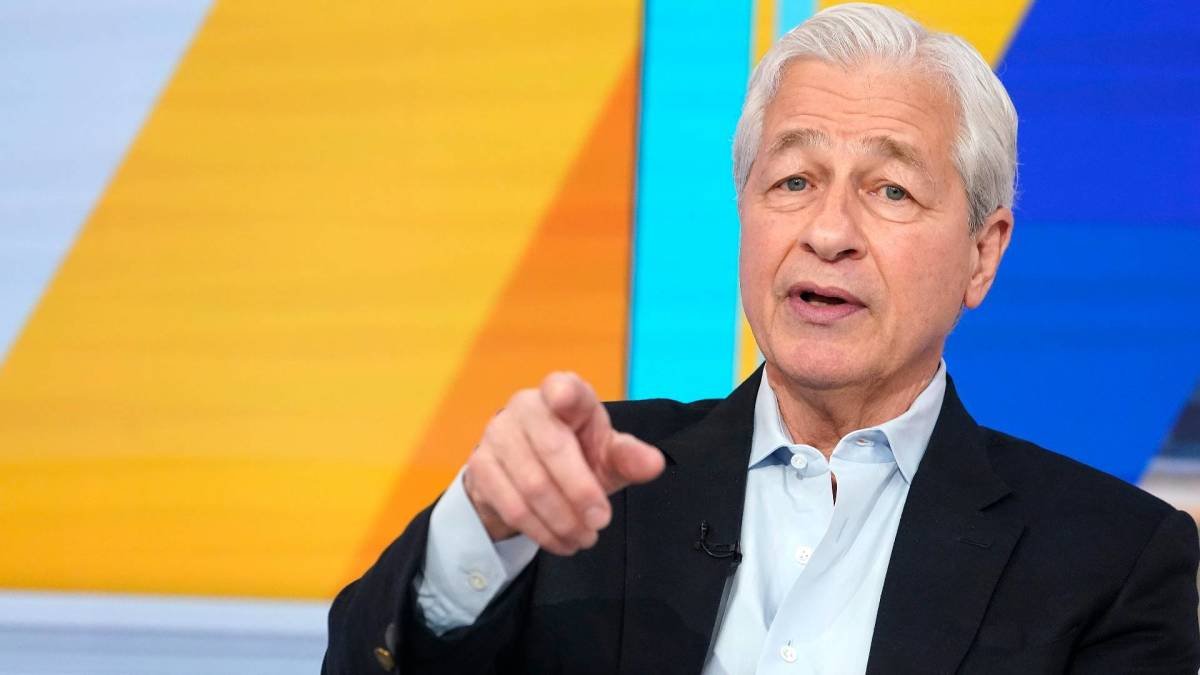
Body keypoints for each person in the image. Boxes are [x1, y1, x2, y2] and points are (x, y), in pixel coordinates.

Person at [323, 4, 1200, 673]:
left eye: (891, 190)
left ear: (983, 252)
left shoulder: (1113, 560)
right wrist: (476, 533)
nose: (829, 231)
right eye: (793, 180)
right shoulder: (585, 487)